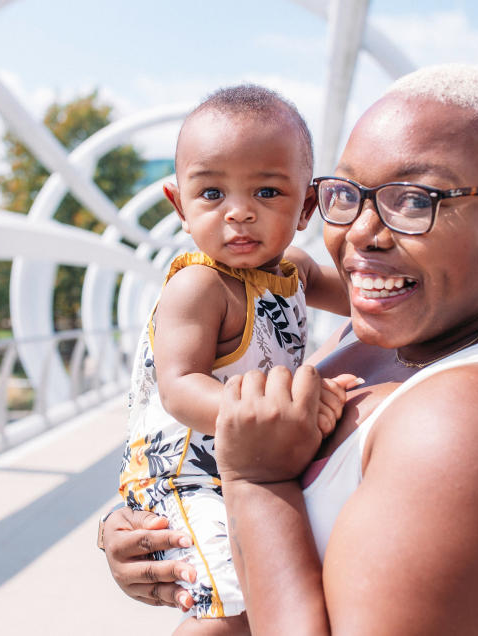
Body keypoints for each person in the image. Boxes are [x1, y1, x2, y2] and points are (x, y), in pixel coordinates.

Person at [102, 64, 478, 635]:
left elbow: (263, 478)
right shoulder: (379, 335)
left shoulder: (476, 421)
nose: (362, 230)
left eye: (415, 200)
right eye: (348, 194)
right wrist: (146, 535)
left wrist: (257, 481)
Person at [117, 84, 353, 635]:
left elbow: (359, 298)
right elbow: (179, 387)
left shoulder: (293, 268)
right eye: (212, 194)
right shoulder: (200, 286)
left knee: (264, 584)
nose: (240, 213)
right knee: (231, 605)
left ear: (306, 208)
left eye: (268, 192)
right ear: (180, 206)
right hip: (186, 476)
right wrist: (278, 414)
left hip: (241, 462)